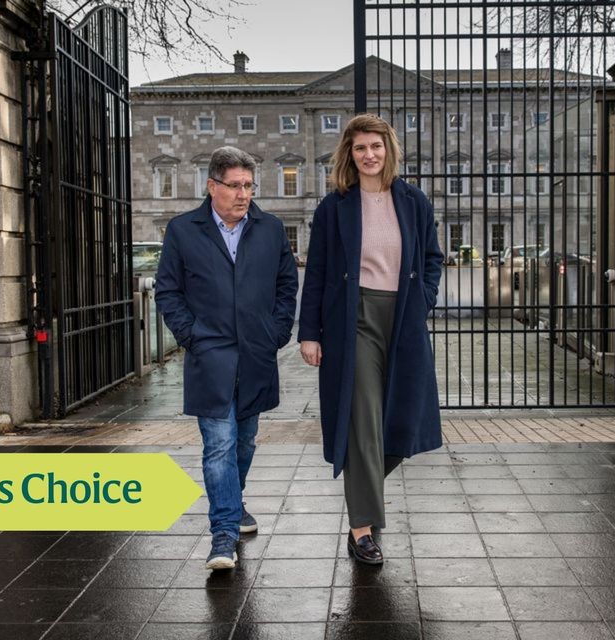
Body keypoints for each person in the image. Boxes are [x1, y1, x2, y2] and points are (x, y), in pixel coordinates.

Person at [298, 114, 443, 564]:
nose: (369, 155)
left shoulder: (413, 201)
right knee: (363, 420)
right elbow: (318, 272)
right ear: (349, 153)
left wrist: (422, 299)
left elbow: (433, 258)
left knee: (402, 421)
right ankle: (362, 529)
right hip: (351, 319)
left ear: (389, 149)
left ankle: (364, 492)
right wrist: (308, 333)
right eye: (360, 148)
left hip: (402, 316)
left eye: (376, 146)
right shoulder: (333, 207)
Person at [155, 146, 298, 570]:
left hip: (256, 353)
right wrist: (192, 336)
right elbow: (168, 291)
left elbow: (287, 284)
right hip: (211, 355)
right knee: (219, 443)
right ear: (211, 186)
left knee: (246, 439)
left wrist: (276, 332)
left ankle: (233, 504)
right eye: (234, 186)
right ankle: (223, 533)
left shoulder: (270, 229)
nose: (243, 194)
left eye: (249, 186)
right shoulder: (183, 230)